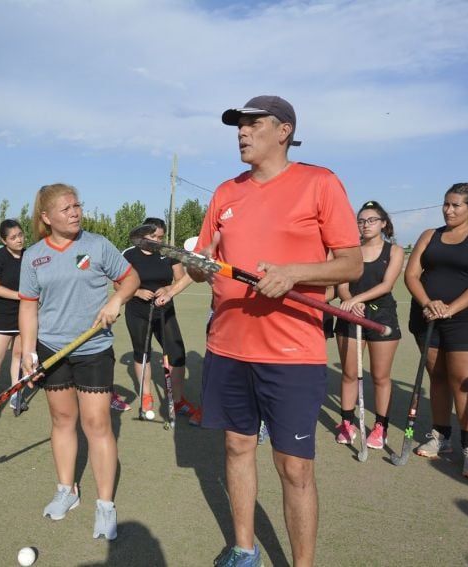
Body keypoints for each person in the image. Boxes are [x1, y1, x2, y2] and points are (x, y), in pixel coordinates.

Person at [190, 96, 361, 567]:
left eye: (253, 124)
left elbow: (351, 262)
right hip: (227, 348)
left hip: (291, 353)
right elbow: (206, 257)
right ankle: (244, 549)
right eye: (238, 126)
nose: (242, 132)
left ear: (284, 130)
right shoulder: (225, 192)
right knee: (236, 446)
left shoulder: (320, 183)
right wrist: (199, 266)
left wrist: (292, 273)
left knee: (294, 468)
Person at [19, 183, 139, 541]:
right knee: (62, 420)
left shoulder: (98, 245)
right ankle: (66, 490)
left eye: (77, 206)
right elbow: (28, 306)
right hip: (52, 350)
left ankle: (105, 504)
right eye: (66, 208)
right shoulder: (33, 256)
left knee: (97, 423)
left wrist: (116, 300)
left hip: (93, 349)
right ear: (46, 217)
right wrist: (28, 351)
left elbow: (131, 278)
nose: (75, 213)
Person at [405, 183, 468, 479]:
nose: (448, 210)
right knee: (438, 378)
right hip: (427, 317)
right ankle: (441, 436)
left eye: (456, 205)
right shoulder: (429, 235)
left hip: (467, 321)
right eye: (446, 204)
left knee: (464, 383)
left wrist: (450, 308)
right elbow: (411, 274)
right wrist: (428, 303)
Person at [334, 201, 404, 450]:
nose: (366, 225)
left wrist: (356, 300)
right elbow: (342, 284)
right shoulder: (350, 251)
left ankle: (380, 427)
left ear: (383, 223)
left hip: (382, 316)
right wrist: (349, 301)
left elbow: (387, 285)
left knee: (380, 376)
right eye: (361, 221)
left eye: (372, 220)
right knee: (349, 374)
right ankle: (347, 423)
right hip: (350, 316)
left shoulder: (394, 251)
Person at [120, 217, 200, 425]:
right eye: (153, 236)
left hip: (164, 310)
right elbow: (118, 284)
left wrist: (167, 289)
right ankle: (146, 396)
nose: (157, 240)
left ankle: (178, 400)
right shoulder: (129, 254)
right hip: (138, 311)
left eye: (160, 237)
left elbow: (180, 279)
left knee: (177, 353)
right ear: (142, 235)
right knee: (142, 353)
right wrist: (137, 292)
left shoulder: (168, 253)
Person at [0, 219, 27, 413]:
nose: (19, 240)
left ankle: (15, 395)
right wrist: (21, 295)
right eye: (13, 237)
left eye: (20, 235)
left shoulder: (29, 256)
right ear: (4, 240)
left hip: (24, 314)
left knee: (18, 355)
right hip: (2, 314)